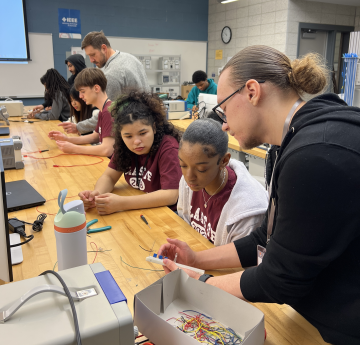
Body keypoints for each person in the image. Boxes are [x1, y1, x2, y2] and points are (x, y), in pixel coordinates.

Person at [158, 46, 360, 345]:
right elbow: (265, 238)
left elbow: (280, 279)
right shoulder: (293, 140)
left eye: (224, 109)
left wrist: (200, 283)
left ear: (251, 91)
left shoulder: (316, 155)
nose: (224, 124)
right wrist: (197, 259)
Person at [78, 90, 182, 215]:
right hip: (142, 210)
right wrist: (97, 194)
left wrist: (121, 203)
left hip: (168, 214)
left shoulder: (168, 148)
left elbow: (171, 194)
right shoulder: (124, 147)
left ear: (154, 128)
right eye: (128, 136)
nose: (136, 141)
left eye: (143, 133)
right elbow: (109, 177)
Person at [178, 118, 268, 245]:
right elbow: (185, 227)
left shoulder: (247, 211)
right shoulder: (189, 183)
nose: (189, 176)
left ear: (224, 161)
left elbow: (241, 261)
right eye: (183, 165)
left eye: (201, 169)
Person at [48, 68, 115, 157]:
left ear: (96, 88)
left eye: (83, 91)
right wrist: (67, 139)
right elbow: (95, 137)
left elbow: (107, 150)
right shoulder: (103, 111)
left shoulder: (108, 111)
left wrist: (74, 148)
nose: (80, 96)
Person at [81, 31, 150, 101]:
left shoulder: (111, 74)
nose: (91, 60)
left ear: (104, 48)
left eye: (93, 55)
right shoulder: (132, 58)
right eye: (89, 56)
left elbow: (110, 110)